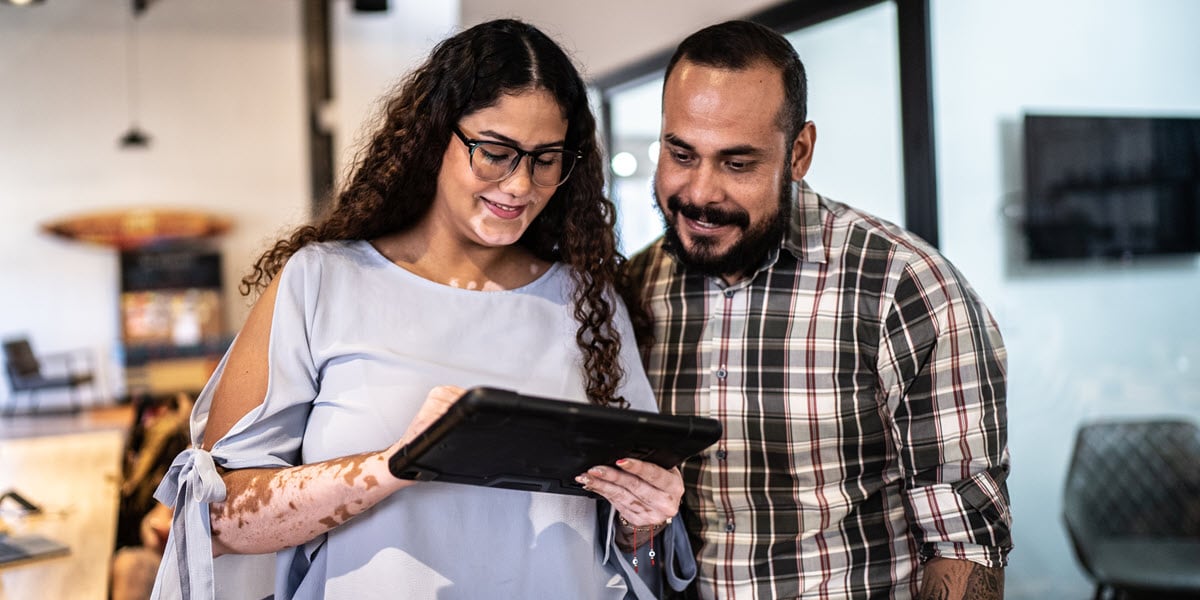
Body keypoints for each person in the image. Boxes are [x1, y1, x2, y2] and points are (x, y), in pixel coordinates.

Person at [151, 19, 693, 600]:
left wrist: (645, 518)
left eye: (546, 158)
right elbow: (219, 519)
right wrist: (397, 463)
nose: (519, 185)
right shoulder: (323, 280)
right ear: (437, 135)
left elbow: (629, 545)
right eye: (494, 151)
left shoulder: (591, 303)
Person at [619, 21, 1012, 600]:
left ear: (798, 152)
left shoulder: (907, 289)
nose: (700, 192)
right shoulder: (634, 288)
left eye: (737, 163)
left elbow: (963, 546)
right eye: (681, 153)